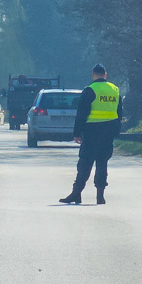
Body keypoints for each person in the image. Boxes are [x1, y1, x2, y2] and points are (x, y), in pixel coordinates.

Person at [60, 64, 123, 205]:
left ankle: (76, 193)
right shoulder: (115, 90)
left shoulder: (90, 90)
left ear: (93, 74)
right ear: (105, 75)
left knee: (85, 164)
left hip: (92, 132)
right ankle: (100, 196)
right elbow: (119, 113)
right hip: (109, 132)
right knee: (102, 163)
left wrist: (77, 133)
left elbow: (81, 114)